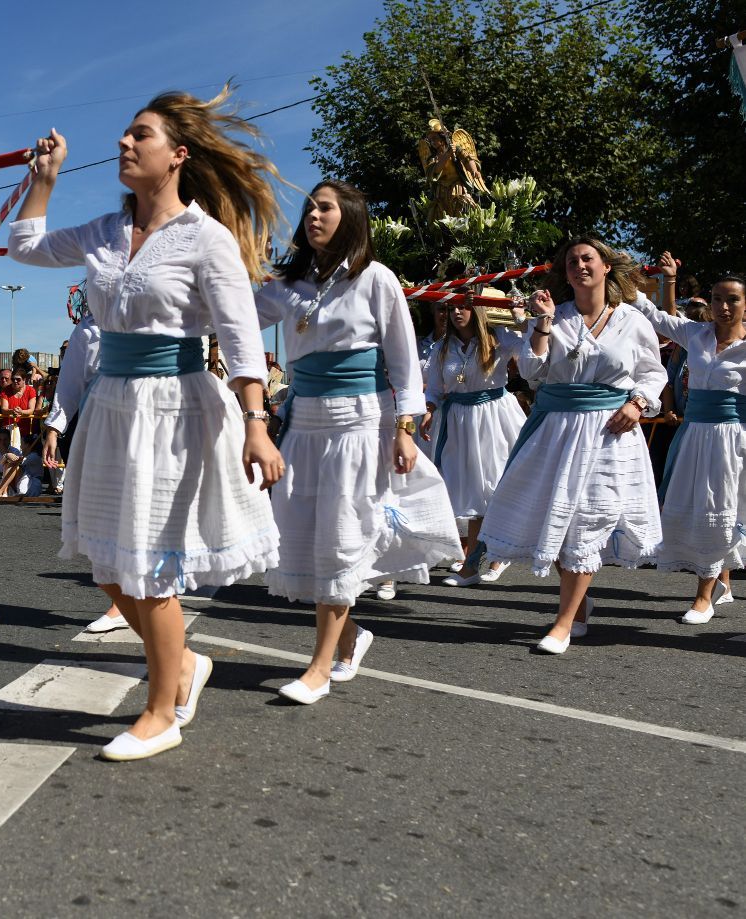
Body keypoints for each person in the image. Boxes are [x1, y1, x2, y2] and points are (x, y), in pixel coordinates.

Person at [9, 87, 284, 761]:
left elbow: (241, 337)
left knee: (152, 566)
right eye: (124, 136)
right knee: (109, 563)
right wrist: (40, 184)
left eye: (141, 135)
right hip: (112, 407)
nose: (124, 144)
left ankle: (162, 709)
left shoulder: (204, 237)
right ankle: (184, 664)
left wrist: (256, 423)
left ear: (178, 155)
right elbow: (25, 246)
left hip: (175, 409)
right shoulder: (103, 230)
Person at [256, 180, 460, 704]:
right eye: (309, 208)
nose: (313, 215)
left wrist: (405, 430)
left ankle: (319, 667)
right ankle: (351, 637)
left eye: (324, 207)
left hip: (360, 424)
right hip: (304, 426)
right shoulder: (288, 284)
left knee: (342, 538)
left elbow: (404, 363)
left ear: (348, 216)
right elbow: (235, 317)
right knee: (306, 540)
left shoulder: (376, 278)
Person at [475, 237, 667, 653]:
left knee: (587, 520)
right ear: (564, 273)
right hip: (556, 429)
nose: (579, 265)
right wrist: (541, 323)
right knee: (556, 522)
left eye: (588, 259)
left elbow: (653, 373)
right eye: (572, 262)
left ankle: (562, 623)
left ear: (605, 268)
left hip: (610, 430)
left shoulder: (632, 320)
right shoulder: (554, 316)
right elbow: (530, 370)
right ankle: (577, 606)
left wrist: (637, 403)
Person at [631, 256, 745, 624]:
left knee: (720, 512)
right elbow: (654, 315)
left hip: (732, 442)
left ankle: (703, 597)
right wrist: (628, 278)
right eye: (716, 299)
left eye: (732, 299)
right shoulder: (696, 335)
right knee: (700, 510)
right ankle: (716, 587)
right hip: (694, 437)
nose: (723, 307)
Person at [420, 294, 529, 586]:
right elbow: (433, 388)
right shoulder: (443, 347)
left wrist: (522, 319)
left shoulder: (499, 338)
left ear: (477, 309)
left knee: (493, 487)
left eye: (463, 306)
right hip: (458, 421)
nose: (456, 312)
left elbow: (532, 352)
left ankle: (488, 560)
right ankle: (476, 563)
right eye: (451, 307)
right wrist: (429, 411)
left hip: (494, 418)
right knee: (472, 492)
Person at [42, 310, 124, 632]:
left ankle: (137, 600)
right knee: (102, 515)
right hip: (99, 424)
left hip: (144, 414)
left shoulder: (145, 306)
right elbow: (70, 382)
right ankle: (122, 601)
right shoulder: (87, 328)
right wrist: (54, 427)